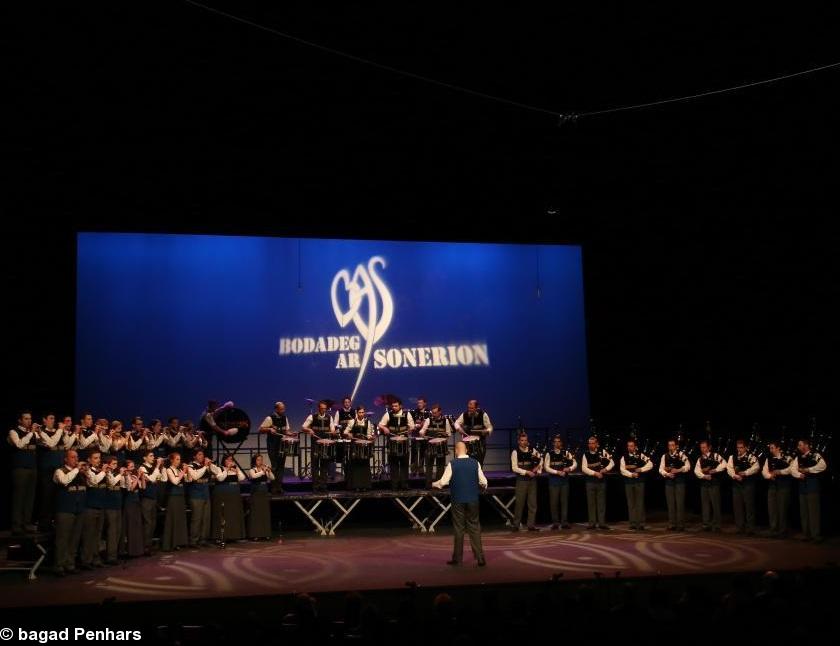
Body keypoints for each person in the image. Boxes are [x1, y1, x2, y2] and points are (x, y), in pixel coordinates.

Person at [432, 440, 487, 566]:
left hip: (458, 500)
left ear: (456, 451)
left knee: (459, 529)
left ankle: (457, 558)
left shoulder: (452, 464)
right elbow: (484, 481)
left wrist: (433, 484)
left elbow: (443, 482)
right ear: (467, 450)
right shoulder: (475, 463)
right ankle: (480, 558)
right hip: (473, 500)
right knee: (474, 528)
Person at [52, 449, 87, 575]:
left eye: (77, 457)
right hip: (65, 510)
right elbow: (64, 481)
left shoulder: (81, 473)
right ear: (66, 459)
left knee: (74, 539)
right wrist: (77, 470)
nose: (76, 460)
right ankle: (59, 565)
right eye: (73, 457)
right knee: (62, 539)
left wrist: (84, 472)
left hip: (79, 510)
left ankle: (70, 564)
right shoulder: (59, 471)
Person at [8, 411, 39, 534]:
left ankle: (26, 523)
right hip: (20, 468)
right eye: (26, 419)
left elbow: (46, 443)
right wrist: (31, 433)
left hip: (32, 468)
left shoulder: (32, 433)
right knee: (19, 497)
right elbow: (19, 444)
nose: (29, 421)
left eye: (30, 419)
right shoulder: (13, 431)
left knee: (30, 497)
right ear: (20, 420)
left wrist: (38, 433)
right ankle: (16, 525)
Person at [791, 438, 826, 542]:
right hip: (802, 488)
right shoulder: (798, 457)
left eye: (800, 445)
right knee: (804, 512)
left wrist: (809, 470)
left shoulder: (815, 455)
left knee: (813, 512)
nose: (798, 447)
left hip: (812, 486)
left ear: (806, 445)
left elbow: (823, 465)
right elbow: (793, 469)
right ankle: (806, 534)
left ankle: (815, 535)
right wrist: (799, 474)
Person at [378, 399, 415, 490]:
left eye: (396, 406)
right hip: (392, 442)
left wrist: (410, 430)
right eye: (393, 406)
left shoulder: (407, 414)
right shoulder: (388, 414)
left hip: (403, 442)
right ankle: (394, 485)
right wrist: (384, 428)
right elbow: (380, 424)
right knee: (393, 465)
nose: (394, 408)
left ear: (400, 406)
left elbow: (412, 426)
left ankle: (404, 485)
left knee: (404, 465)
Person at [302, 401, 337, 493]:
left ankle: (323, 486)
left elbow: (332, 428)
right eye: (322, 408)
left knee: (324, 465)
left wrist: (333, 431)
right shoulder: (312, 416)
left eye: (325, 408)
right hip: (316, 443)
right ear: (318, 408)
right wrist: (309, 429)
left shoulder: (329, 417)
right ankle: (315, 486)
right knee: (315, 465)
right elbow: (303, 427)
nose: (323, 410)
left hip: (325, 443)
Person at [543, 435, 577, 529]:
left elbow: (575, 463)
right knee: (554, 503)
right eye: (555, 442)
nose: (557, 443)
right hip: (553, 482)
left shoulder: (566, 453)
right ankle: (555, 523)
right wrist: (557, 472)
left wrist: (569, 468)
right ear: (553, 443)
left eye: (559, 441)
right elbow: (546, 467)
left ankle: (564, 522)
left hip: (564, 482)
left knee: (564, 502)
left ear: (561, 443)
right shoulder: (549, 454)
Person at [510, 431, 542, 531]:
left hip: (532, 480)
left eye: (525, 440)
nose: (524, 442)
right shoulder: (515, 452)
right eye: (522, 440)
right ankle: (516, 525)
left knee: (532, 504)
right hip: (521, 480)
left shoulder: (532, 450)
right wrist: (527, 472)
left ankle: (531, 525)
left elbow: (541, 458)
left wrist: (538, 469)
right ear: (518, 441)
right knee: (519, 503)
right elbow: (514, 468)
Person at [581, 436, 614, 529]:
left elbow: (612, 462)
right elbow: (584, 468)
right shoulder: (585, 455)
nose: (590, 445)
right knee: (591, 503)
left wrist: (605, 469)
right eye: (589, 443)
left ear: (596, 444)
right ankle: (592, 523)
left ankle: (602, 523)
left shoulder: (603, 452)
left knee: (601, 503)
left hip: (601, 482)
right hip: (590, 482)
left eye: (592, 443)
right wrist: (595, 473)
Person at [259, 401, 292, 493]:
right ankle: (273, 487)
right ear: (276, 409)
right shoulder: (270, 418)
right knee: (275, 465)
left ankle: (279, 487)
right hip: (273, 444)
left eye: (284, 408)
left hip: (282, 444)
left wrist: (291, 434)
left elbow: (286, 431)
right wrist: (269, 429)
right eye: (281, 409)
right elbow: (260, 429)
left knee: (281, 466)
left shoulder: (285, 418)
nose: (283, 410)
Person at [620, 438, 653, 530]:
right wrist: (631, 474)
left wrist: (641, 469)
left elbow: (650, 464)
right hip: (629, 482)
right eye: (628, 446)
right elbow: (622, 470)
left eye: (631, 446)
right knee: (631, 503)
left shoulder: (640, 455)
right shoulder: (624, 457)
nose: (629, 448)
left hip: (639, 482)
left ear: (635, 447)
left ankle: (641, 523)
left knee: (639, 502)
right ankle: (633, 523)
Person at [727, 439, 759, 535]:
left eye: (741, 448)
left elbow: (756, 467)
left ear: (745, 448)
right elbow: (729, 468)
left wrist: (745, 473)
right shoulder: (733, 457)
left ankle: (750, 529)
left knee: (749, 507)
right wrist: (735, 476)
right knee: (738, 507)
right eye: (738, 448)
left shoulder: (751, 457)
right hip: (737, 485)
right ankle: (740, 527)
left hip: (748, 484)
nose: (739, 450)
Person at [762, 440, 793, 537]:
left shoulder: (786, 457)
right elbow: (764, 471)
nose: (770, 450)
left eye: (772, 448)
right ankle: (773, 528)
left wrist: (780, 472)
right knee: (772, 508)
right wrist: (769, 476)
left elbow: (792, 468)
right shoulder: (769, 458)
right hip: (772, 486)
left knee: (782, 509)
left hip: (783, 486)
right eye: (770, 448)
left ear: (778, 448)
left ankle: (782, 530)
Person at [694, 439, 726, 531]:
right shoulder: (700, 459)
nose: (702, 449)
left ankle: (717, 525)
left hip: (714, 484)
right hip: (704, 484)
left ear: (709, 447)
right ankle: (706, 524)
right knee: (705, 505)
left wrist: (716, 470)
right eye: (701, 448)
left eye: (704, 447)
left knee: (715, 505)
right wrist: (704, 476)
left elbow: (724, 464)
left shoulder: (715, 456)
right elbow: (696, 471)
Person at [660, 439, 690, 531]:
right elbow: (661, 469)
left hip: (679, 482)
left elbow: (688, 466)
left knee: (679, 503)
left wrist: (678, 470)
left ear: (676, 446)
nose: (671, 447)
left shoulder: (681, 455)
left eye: (673, 445)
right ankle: (672, 524)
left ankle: (681, 525)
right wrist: (667, 474)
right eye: (669, 445)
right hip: (669, 482)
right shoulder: (665, 456)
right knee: (670, 504)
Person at [419, 405, 452, 488]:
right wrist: (423, 435)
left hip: (441, 446)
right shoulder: (428, 420)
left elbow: (448, 433)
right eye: (432, 413)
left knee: (440, 466)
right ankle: (428, 485)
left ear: (440, 412)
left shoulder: (446, 420)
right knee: (429, 466)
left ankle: (438, 484)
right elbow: (422, 431)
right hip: (430, 446)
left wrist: (444, 437)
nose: (433, 414)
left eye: (435, 413)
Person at [161, 452, 189, 551]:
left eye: (179, 459)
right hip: (173, 497)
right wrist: (183, 472)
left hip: (181, 497)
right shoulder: (169, 470)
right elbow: (175, 481)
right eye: (177, 459)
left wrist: (187, 471)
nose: (179, 461)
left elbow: (189, 480)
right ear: (172, 460)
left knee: (179, 520)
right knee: (172, 520)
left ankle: (178, 542)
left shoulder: (179, 469)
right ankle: (169, 544)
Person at [344, 406, 374, 491]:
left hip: (364, 445)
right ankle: (355, 485)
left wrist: (370, 438)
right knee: (356, 465)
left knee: (364, 464)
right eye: (360, 412)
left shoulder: (367, 422)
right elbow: (345, 432)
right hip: (355, 445)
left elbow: (368, 434)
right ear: (357, 413)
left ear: (364, 413)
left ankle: (365, 485)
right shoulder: (352, 421)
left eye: (362, 412)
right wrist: (348, 434)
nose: (361, 414)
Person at [454, 400, 493, 465]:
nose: (470, 410)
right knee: (467, 463)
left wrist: (487, 431)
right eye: (469, 408)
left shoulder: (483, 414)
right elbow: (456, 423)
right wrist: (459, 428)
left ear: (476, 407)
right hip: (467, 443)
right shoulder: (464, 414)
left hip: (479, 443)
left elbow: (490, 426)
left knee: (479, 463)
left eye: (472, 408)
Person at [247, 454, 275, 540]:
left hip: (264, 493)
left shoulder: (264, 470)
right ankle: (255, 534)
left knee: (264, 513)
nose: (260, 461)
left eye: (261, 460)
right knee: (256, 514)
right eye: (258, 460)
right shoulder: (252, 470)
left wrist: (269, 471)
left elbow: (273, 478)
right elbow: (254, 476)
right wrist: (263, 471)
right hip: (256, 494)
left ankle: (265, 533)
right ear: (254, 461)